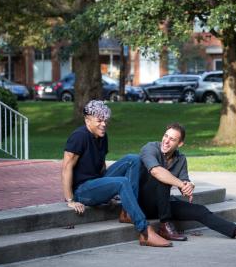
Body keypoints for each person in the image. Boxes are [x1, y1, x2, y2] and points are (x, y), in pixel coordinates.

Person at [61, 100, 172, 247]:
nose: (104, 124)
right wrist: (70, 200)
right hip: (82, 190)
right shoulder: (78, 137)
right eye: (99, 120)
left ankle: (127, 212)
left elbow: (101, 163)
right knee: (121, 182)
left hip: (97, 182)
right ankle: (144, 231)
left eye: (105, 120)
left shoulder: (102, 136)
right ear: (87, 120)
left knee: (133, 159)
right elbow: (66, 168)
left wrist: (106, 189)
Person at [138, 122, 236, 242]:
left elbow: (184, 182)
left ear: (180, 143)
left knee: (200, 210)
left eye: (172, 139)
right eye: (166, 136)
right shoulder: (150, 148)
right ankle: (164, 226)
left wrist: (189, 186)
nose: (166, 141)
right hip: (143, 204)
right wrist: (180, 184)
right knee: (162, 177)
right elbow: (156, 172)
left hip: (164, 204)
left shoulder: (180, 159)